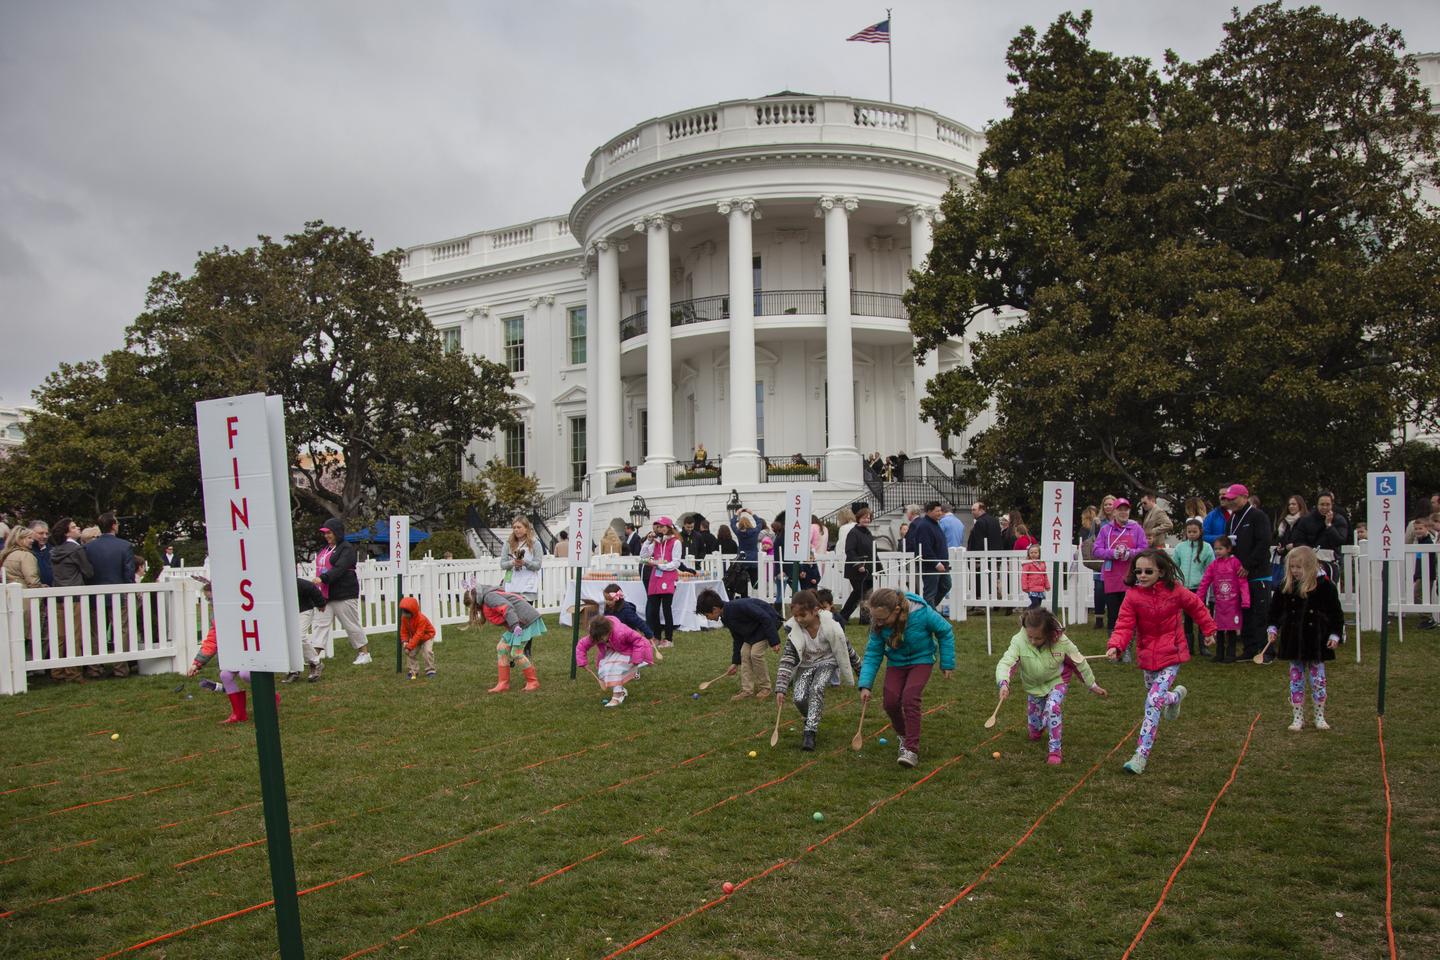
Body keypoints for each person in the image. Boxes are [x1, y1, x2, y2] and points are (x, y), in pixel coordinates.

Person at [1105, 549, 1217, 775]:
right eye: (1138, 571)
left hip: (1172, 654)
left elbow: (1196, 606)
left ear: (1161, 571)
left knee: (1153, 700)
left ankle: (1140, 755)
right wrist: (1116, 645)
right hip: (1147, 656)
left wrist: (1209, 629)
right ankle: (1175, 697)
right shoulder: (1133, 596)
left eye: (1148, 571)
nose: (1142, 575)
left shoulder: (1175, 591)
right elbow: (1125, 624)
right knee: (1155, 696)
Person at [857, 587, 955, 768]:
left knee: (910, 698)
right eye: (874, 618)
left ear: (896, 611)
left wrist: (947, 663)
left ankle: (911, 749)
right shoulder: (878, 626)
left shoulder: (922, 612)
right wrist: (865, 685)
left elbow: (945, 631)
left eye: (881, 619)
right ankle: (903, 736)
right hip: (896, 662)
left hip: (922, 660)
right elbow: (872, 654)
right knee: (891, 702)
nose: (877, 622)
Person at [995, 608, 1107, 764]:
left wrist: (1092, 684)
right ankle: (1037, 728)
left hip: (1057, 681)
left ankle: (1055, 750)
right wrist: (1003, 683)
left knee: (1052, 708)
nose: (1033, 641)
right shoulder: (1019, 641)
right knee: (1034, 729)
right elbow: (1007, 662)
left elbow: (1079, 662)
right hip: (1033, 686)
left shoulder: (1062, 642)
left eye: (1038, 638)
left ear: (1048, 633)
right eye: (1030, 637)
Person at [1264, 546, 1345, 731]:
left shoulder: (1325, 586)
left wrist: (1335, 634)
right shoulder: (1286, 585)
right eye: (1292, 567)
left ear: (1309, 566)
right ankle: (1297, 717)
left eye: (1299, 567)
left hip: (1316, 641)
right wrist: (1273, 627)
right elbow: (1275, 611)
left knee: (1318, 681)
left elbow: (1336, 613)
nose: (1295, 571)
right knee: (1296, 680)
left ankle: (1319, 716)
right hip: (1293, 641)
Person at [775, 590, 861, 751]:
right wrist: (781, 687)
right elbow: (787, 659)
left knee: (817, 688)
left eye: (803, 615)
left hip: (827, 662)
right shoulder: (795, 632)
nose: (799, 619)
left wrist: (860, 671)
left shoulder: (832, 628)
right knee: (799, 697)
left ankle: (810, 732)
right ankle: (811, 718)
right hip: (806, 665)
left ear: (815, 611)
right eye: (796, 616)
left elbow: (846, 649)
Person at [187, 577, 276, 725]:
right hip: (236, 654)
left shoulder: (242, 608)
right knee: (225, 675)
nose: (212, 603)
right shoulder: (217, 616)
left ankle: (272, 699)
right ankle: (239, 714)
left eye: (213, 599)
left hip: (250, 651)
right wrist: (197, 663)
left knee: (246, 674)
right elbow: (212, 640)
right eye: (209, 600)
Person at [696, 588, 781, 700]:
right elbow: (737, 638)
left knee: (755, 654)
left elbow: (764, 617)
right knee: (744, 652)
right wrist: (735, 663)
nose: (708, 618)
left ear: (715, 609)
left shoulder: (738, 607)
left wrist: (774, 641)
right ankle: (747, 690)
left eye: (707, 615)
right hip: (753, 631)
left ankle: (765, 687)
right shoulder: (725, 617)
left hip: (768, 624)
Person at [466, 583, 546, 693]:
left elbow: (507, 608)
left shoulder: (490, 597)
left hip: (523, 623)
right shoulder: (487, 598)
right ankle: (503, 683)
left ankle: (533, 682)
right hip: (517, 624)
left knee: (516, 653)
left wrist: (515, 626)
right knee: (501, 648)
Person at [85, 512, 137, 678]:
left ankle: (94, 668)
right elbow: (128, 573)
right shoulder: (125, 545)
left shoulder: (89, 547)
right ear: (113, 525)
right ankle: (120, 668)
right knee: (121, 631)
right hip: (118, 595)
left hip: (94, 595)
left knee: (95, 632)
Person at [311, 518, 371, 666]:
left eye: (329, 532)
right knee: (320, 624)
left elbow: (340, 568)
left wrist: (323, 578)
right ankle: (313, 657)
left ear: (337, 532)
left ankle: (364, 653)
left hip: (344, 593)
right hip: (326, 594)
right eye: (325, 533)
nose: (327, 536)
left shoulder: (346, 548)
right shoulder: (324, 549)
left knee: (350, 624)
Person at [1223, 483, 1273, 660]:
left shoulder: (1258, 516)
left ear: (1245, 497)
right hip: (1239, 575)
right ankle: (1250, 648)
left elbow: (1263, 542)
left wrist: (1248, 565)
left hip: (1258, 573)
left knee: (1261, 613)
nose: (1231, 503)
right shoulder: (1231, 520)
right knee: (1246, 613)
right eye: (1228, 500)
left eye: (1234, 499)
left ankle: (1266, 649)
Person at [575, 606, 654, 707]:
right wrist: (582, 662)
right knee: (604, 669)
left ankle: (618, 695)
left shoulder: (621, 632)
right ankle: (621, 689)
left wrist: (636, 659)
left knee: (615, 668)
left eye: (600, 639)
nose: (598, 641)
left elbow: (638, 641)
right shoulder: (597, 634)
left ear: (607, 632)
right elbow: (582, 645)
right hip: (616, 650)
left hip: (633, 650)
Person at [1093, 498, 1148, 632]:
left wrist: (1131, 553)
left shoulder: (1137, 529)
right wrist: (1112, 553)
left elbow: (1145, 549)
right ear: (1114, 512)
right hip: (1111, 577)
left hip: (1131, 576)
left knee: (1130, 614)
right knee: (1113, 614)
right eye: (1120, 510)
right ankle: (1114, 647)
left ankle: (1127, 648)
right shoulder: (1106, 530)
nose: (1123, 512)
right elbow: (1096, 550)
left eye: (1126, 510)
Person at [1196, 536, 1249, 663]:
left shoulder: (1235, 563)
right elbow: (1205, 581)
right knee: (1218, 628)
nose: (1217, 551)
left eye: (1220, 548)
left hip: (1233, 603)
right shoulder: (1214, 565)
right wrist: (1198, 598)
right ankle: (1219, 654)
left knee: (1231, 629)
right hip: (1220, 603)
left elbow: (1243, 582)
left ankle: (1230, 654)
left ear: (1229, 549)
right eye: (1216, 549)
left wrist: (1245, 600)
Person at [1169, 518, 1215, 656]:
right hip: (1183, 588)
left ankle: (1204, 645)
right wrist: (1177, 580)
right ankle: (1188, 645)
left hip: (1199, 588)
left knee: (1201, 615)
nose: (1192, 534)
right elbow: (1174, 565)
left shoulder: (1207, 547)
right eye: (1189, 532)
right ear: (1186, 532)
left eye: (1195, 531)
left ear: (1200, 532)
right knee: (1187, 617)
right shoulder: (1180, 547)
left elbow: (1210, 567)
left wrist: (1205, 582)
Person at [643, 516, 681, 647]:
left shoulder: (676, 542)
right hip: (655, 577)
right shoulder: (657, 542)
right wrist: (648, 541)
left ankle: (669, 639)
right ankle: (657, 636)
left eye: (663, 526)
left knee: (666, 609)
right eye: (659, 526)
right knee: (653, 609)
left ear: (669, 527)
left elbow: (676, 562)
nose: (660, 529)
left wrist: (661, 566)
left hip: (668, 577)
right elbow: (644, 556)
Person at [905, 501, 950, 610]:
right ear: (929, 511)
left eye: (940, 511)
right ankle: (929, 614)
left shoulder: (935, 524)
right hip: (931, 566)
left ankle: (927, 610)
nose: (940, 513)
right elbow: (925, 548)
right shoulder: (924, 526)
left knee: (946, 586)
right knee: (930, 593)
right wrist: (936, 563)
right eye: (937, 511)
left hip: (942, 564)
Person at [286, 577, 328, 683]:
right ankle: (294, 670)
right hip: (287, 612)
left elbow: (312, 588)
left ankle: (316, 663)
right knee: (288, 640)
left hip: (304, 610)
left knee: (299, 637)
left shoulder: (297, 582)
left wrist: (321, 603)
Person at [839, 505, 876, 626]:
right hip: (856, 570)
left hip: (868, 569)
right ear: (859, 518)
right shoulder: (853, 532)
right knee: (858, 592)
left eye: (869, 518)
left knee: (866, 594)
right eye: (865, 517)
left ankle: (864, 618)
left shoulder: (868, 533)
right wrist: (858, 564)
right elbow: (850, 551)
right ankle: (843, 616)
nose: (867, 520)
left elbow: (872, 552)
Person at [504, 517, 543, 603]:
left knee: (525, 615)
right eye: (514, 527)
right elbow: (502, 564)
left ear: (526, 529)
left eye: (519, 527)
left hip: (527, 588)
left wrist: (524, 562)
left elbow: (538, 565)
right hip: (511, 586)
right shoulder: (508, 543)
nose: (516, 530)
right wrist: (512, 562)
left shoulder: (535, 544)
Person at [399, 596, 437, 680]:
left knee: (427, 651)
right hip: (416, 637)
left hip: (427, 636)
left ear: (413, 611)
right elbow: (403, 631)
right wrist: (405, 641)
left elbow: (419, 634)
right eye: (403, 612)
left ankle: (430, 670)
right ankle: (413, 671)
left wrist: (409, 646)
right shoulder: (404, 618)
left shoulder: (421, 619)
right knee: (410, 653)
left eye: (406, 612)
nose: (404, 614)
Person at [730, 510, 761, 588]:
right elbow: (759, 522)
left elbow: (732, 524)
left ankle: (744, 596)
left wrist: (736, 513)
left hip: (743, 559)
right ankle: (756, 596)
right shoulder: (755, 531)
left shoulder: (739, 533)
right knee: (755, 581)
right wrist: (752, 513)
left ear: (740, 524)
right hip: (754, 559)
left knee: (742, 581)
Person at [1020, 543, 1049, 608]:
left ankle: (1034, 617)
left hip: (1040, 588)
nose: (1033, 554)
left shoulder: (1042, 563)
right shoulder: (1027, 563)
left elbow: (1045, 575)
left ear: (1039, 554)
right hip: (1032, 588)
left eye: (1035, 552)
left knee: (1038, 605)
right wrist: (1024, 587)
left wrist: (1047, 585)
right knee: (1035, 603)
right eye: (1031, 552)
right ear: (1029, 554)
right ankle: (1025, 614)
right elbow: (1024, 576)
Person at [28, 520, 52, 587]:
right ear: (30, 533)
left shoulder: (53, 550)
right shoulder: (27, 551)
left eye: (47, 534)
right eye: (41, 533)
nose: (45, 536)